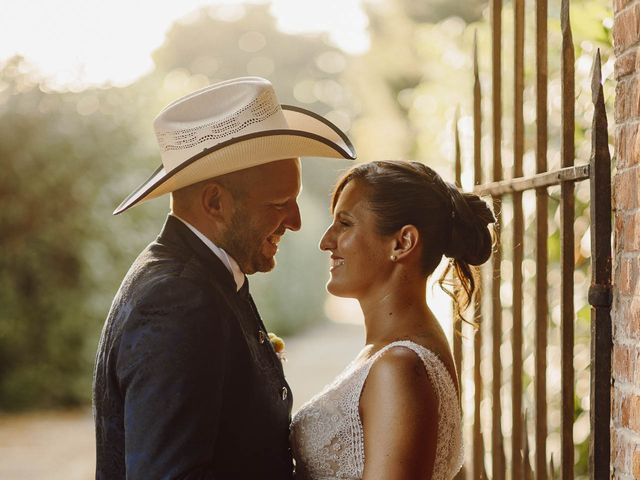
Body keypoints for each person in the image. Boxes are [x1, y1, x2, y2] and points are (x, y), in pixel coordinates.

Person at [92, 77, 355, 479]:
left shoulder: (204, 279)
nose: (297, 222)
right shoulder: (178, 300)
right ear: (215, 202)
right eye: (279, 204)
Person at [290, 160, 495, 480]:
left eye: (344, 224)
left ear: (402, 243)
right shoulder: (396, 351)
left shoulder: (399, 366)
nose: (326, 242)